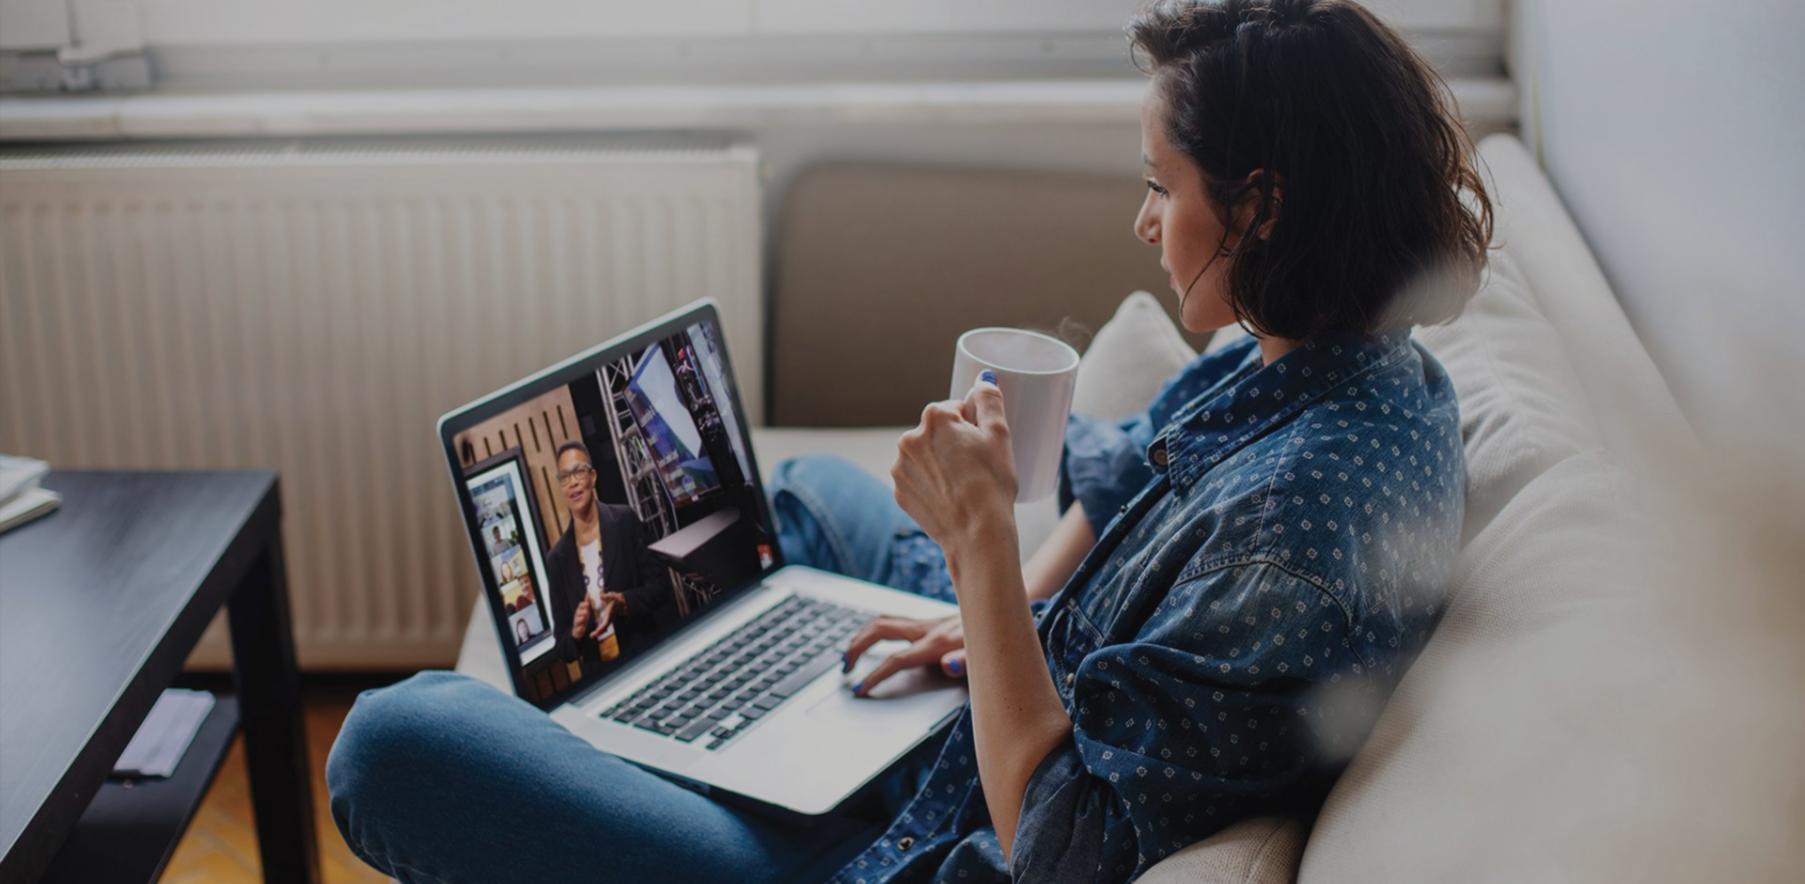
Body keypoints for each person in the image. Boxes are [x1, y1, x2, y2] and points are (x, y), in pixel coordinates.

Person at [326, 2, 1490, 881]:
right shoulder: (1333, 355)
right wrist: (985, 621)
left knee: (392, 741)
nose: (1143, 219)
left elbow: (1060, 837)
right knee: (810, 495)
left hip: (913, 839)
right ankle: (695, 715)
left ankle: (656, 757)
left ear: (1261, 204)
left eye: (1160, 184)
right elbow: (1137, 466)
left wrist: (981, 548)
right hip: (988, 708)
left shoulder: (1295, 532)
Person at [543, 440, 672, 663]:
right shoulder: (557, 559)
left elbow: (661, 588)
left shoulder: (624, 521)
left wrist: (624, 602)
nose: (572, 482)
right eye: (564, 477)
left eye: (578, 472)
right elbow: (563, 650)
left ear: (592, 477)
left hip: (645, 656)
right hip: (602, 674)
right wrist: (576, 632)